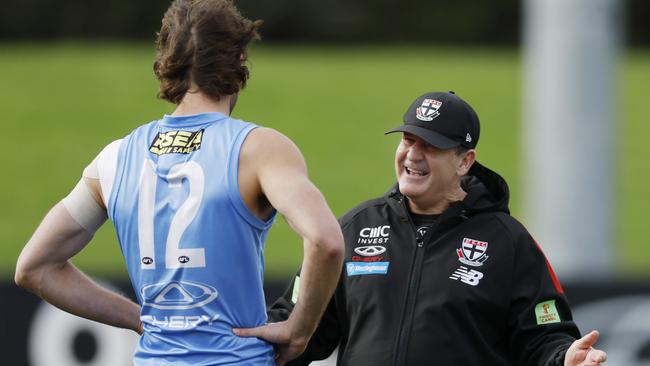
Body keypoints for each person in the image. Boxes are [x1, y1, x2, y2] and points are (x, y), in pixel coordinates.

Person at [14, 0, 344, 365]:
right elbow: (326, 241)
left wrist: (143, 321)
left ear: (167, 63)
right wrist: (299, 329)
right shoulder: (258, 149)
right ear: (239, 61)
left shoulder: (115, 157)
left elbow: (35, 267)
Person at [237, 91, 607, 365]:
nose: (412, 154)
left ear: (465, 162)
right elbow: (299, 327)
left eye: (430, 146)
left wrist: (563, 358)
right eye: (408, 140)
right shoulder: (355, 227)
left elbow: (543, 335)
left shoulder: (508, 241)